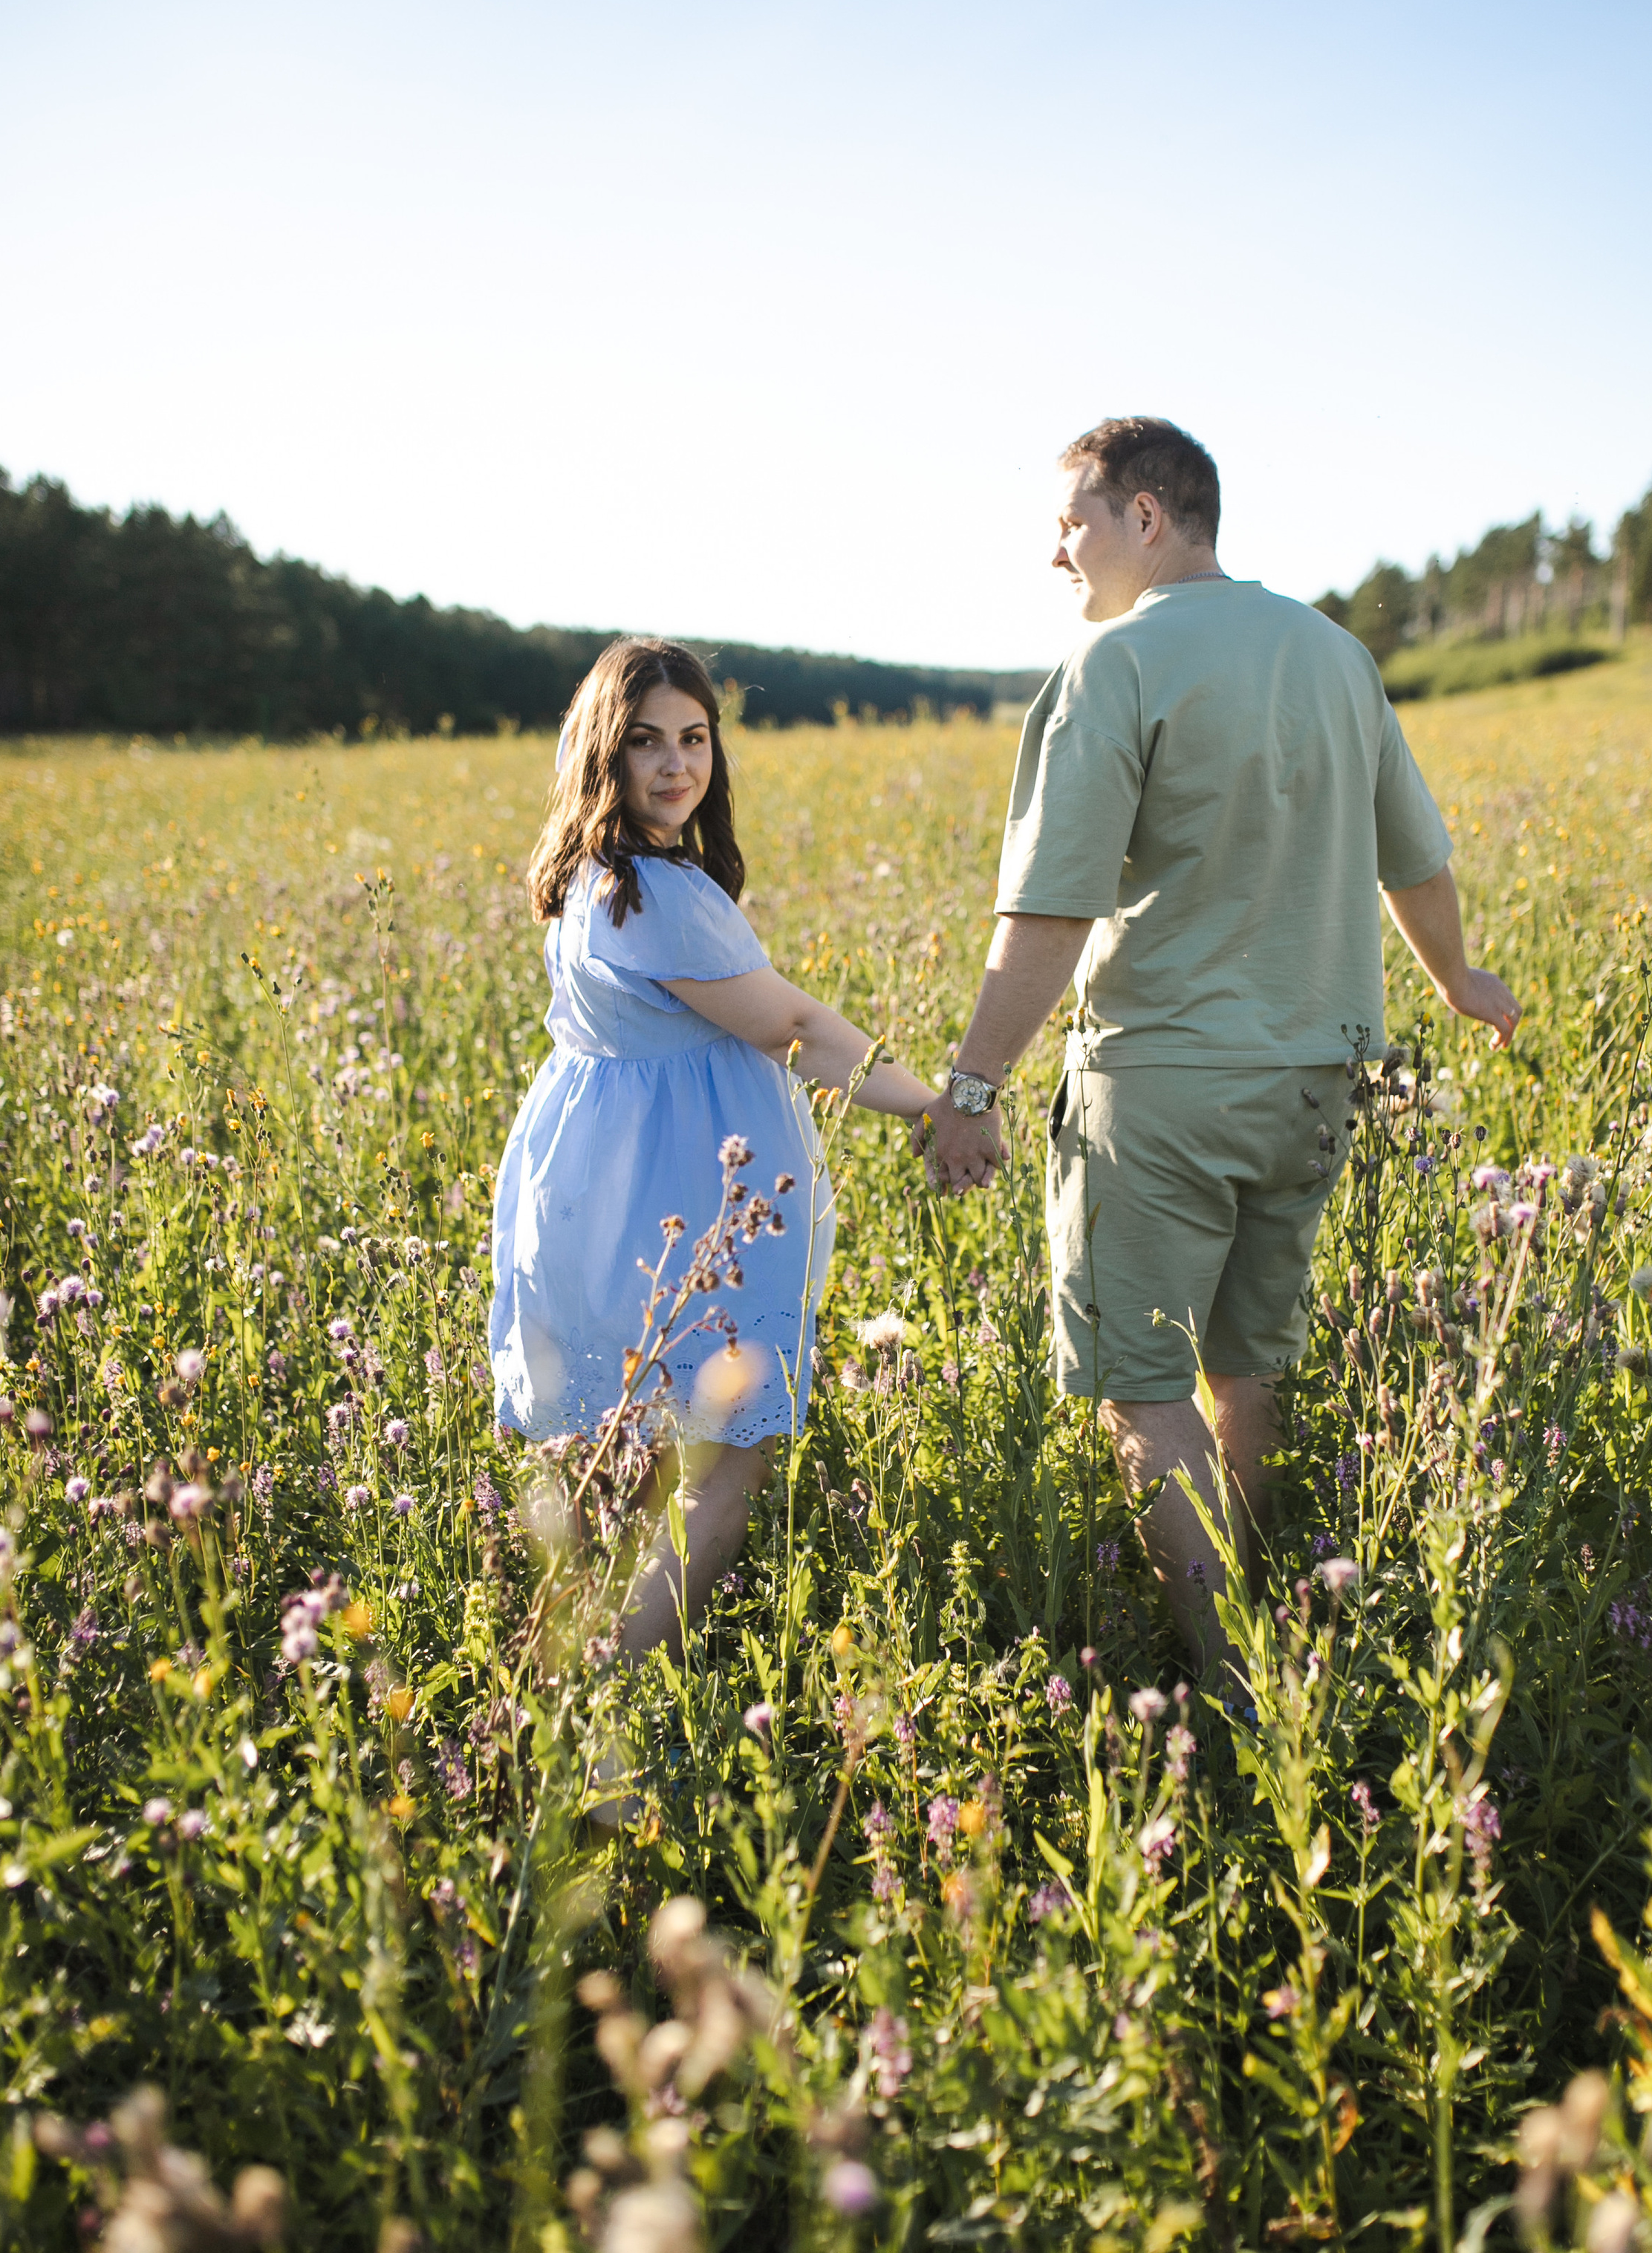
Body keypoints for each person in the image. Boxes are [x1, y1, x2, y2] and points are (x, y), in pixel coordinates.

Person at [917, 417, 1520, 1688]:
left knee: (1145, 1392)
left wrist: (972, 1085)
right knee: (1245, 1367)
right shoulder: (1335, 654)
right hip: (1317, 1079)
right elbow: (1414, 853)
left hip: (1161, 1086)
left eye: (1072, 522)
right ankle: (1259, 1617)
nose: (1056, 553)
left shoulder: (1113, 664)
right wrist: (1456, 981)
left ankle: (1234, 1682)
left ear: (1146, 517)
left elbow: (1052, 905)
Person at [490, 637, 936, 1657]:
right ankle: (594, 1693)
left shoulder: (587, 882)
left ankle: (547, 1684)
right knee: (725, 1471)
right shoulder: (655, 894)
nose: (676, 764)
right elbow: (798, 1031)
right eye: (644, 742)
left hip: (602, 1199)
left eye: (694, 738)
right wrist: (928, 1106)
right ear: (601, 754)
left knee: (633, 1475)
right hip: (684, 1210)